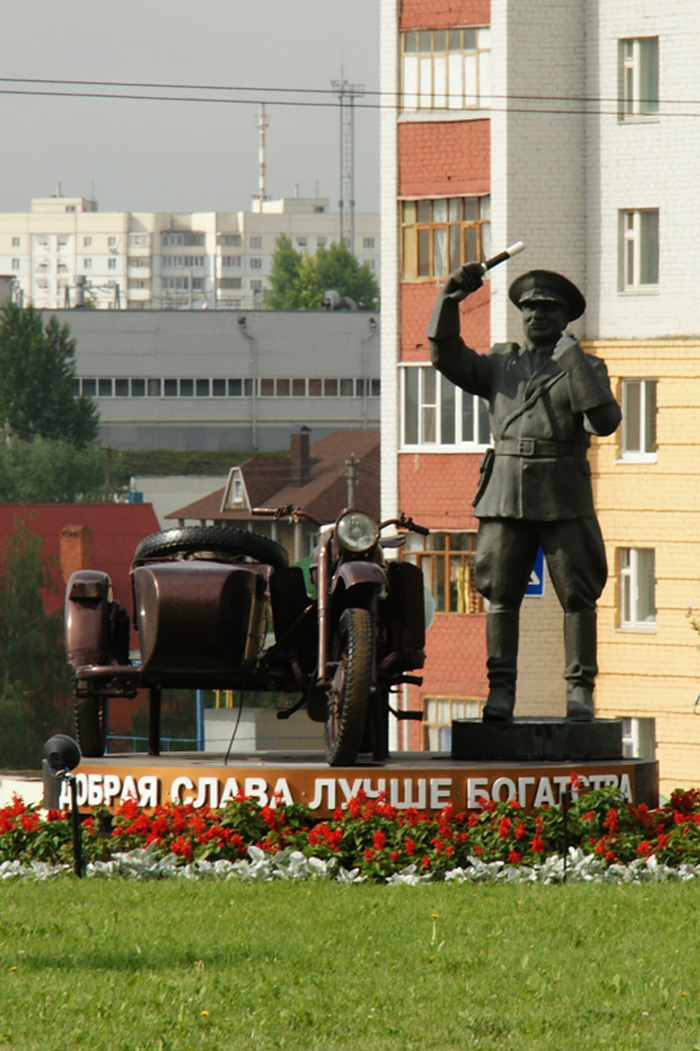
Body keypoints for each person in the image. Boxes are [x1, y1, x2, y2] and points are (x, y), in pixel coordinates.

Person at [427, 265, 621, 722]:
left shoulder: (584, 365)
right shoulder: (501, 362)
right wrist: (447, 300)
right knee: (500, 594)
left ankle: (579, 691)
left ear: (564, 317)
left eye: (547, 308)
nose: (536, 315)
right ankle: (500, 692)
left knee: (578, 595)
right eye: (529, 307)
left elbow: (606, 422)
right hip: (506, 491)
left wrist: (573, 362)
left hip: (563, 493)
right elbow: (447, 357)